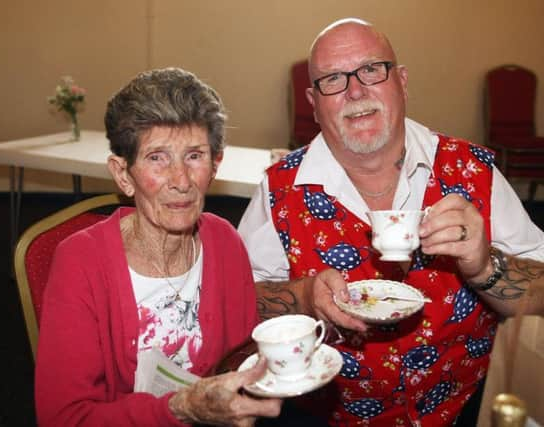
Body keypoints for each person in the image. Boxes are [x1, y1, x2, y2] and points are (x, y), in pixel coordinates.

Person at [238, 18, 544, 426]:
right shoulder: (280, 190)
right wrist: (302, 296)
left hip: (463, 411)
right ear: (313, 102)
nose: (355, 91)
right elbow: (236, 301)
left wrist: (485, 265)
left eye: (371, 70)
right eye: (333, 79)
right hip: (328, 417)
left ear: (401, 81)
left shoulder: (473, 170)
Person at [35, 68, 282, 426]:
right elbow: (64, 418)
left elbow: (239, 358)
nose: (180, 181)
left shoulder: (225, 241)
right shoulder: (80, 262)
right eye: (157, 158)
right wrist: (180, 409)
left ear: (215, 164)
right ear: (123, 175)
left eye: (194, 156)